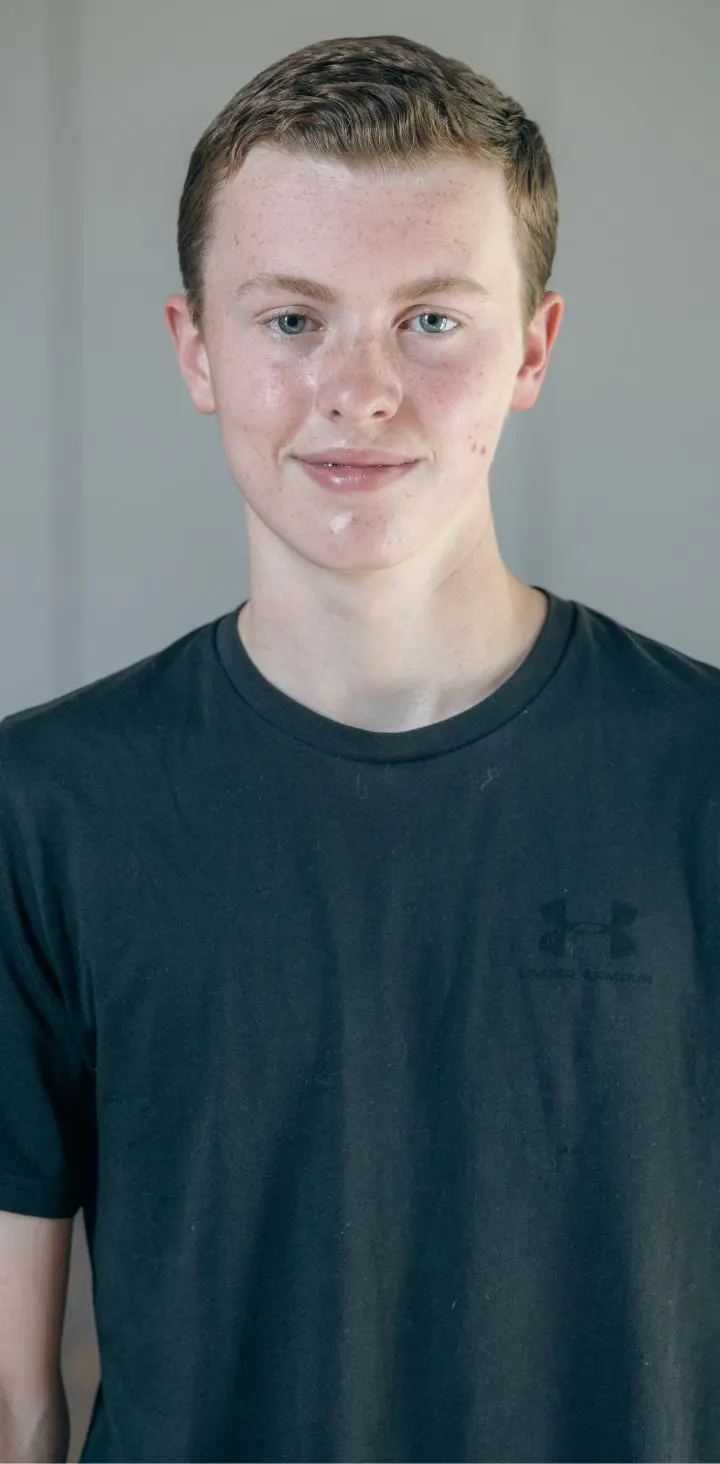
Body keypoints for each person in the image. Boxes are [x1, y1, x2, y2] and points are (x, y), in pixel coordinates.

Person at [0, 30, 718, 1464]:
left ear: (533, 348)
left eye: (433, 320)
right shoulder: (44, 810)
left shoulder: (698, 780)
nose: (362, 387)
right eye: (290, 320)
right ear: (195, 348)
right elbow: (15, 1402)